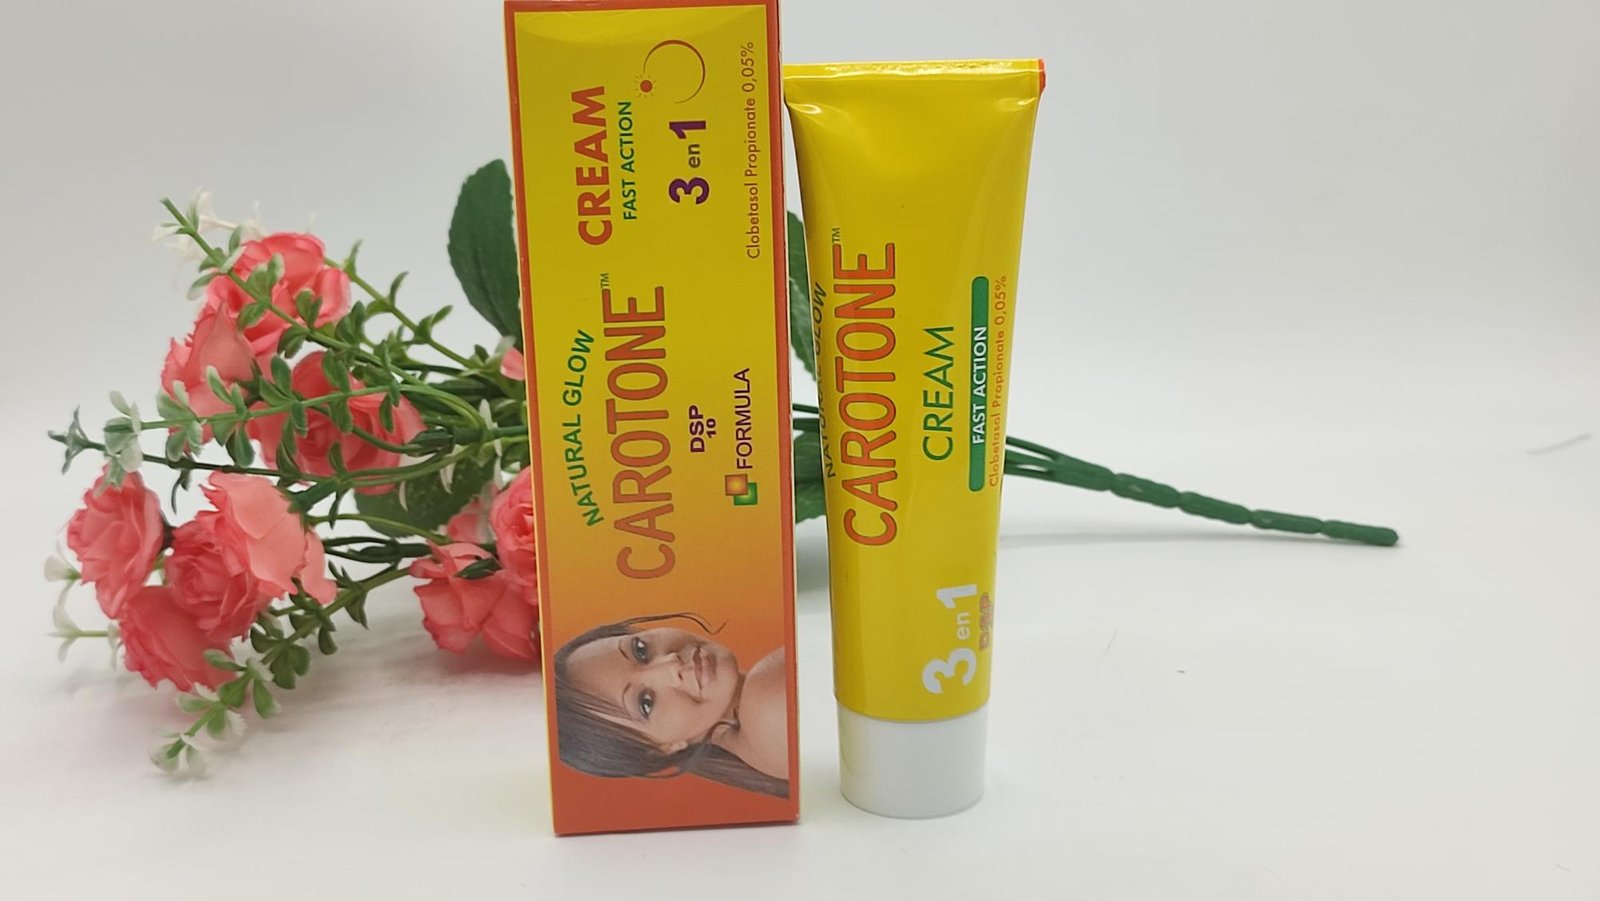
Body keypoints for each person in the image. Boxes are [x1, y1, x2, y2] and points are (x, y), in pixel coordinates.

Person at [552, 613, 789, 798]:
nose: (671, 665)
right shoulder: (768, 706)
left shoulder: (762, 756)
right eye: (646, 703)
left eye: (640, 650)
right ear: (661, 748)